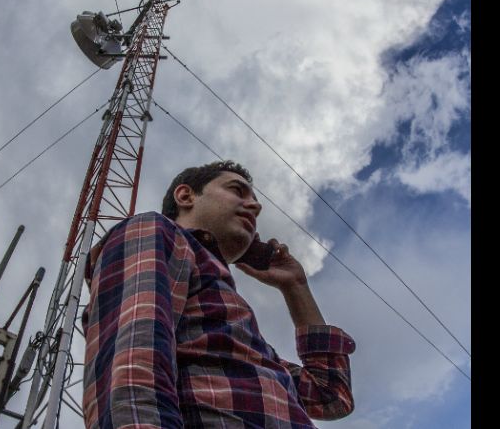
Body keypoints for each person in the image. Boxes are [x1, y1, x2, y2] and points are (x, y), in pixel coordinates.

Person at [81, 160, 356, 428]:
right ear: (186, 196)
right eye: (237, 190)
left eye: (255, 201)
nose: (255, 206)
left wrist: (295, 286)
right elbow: (133, 367)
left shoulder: (243, 342)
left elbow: (331, 397)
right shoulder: (155, 231)